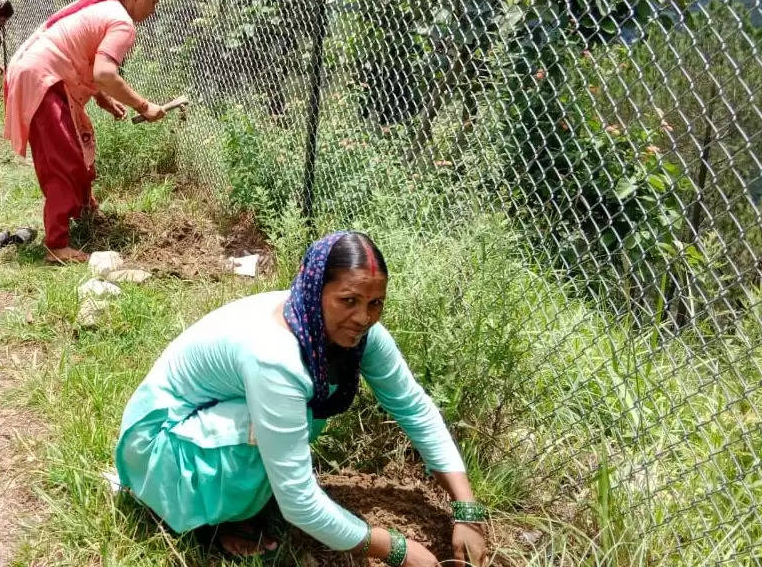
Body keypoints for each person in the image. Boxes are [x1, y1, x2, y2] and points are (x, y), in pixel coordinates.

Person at [116, 232, 491, 565]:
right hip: (158, 447)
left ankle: (233, 496)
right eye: (349, 300)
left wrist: (466, 511)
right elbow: (299, 502)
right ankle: (211, 522)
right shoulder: (274, 355)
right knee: (275, 418)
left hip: (194, 428)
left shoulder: (350, 332)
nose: (363, 317)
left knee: (296, 415)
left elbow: (414, 407)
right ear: (315, 288)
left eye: (376, 303)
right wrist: (397, 549)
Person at [2, 0, 169, 264]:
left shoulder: (106, 7)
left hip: (43, 75)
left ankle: (83, 210)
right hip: (43, 80)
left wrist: (101, 98)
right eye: (153, 3)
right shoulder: (122, 22)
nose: (152, 11)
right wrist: (144, 106)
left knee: (77, 147)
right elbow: (104, 72)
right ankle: (57, 245)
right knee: (62, 161)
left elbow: (83, 56)